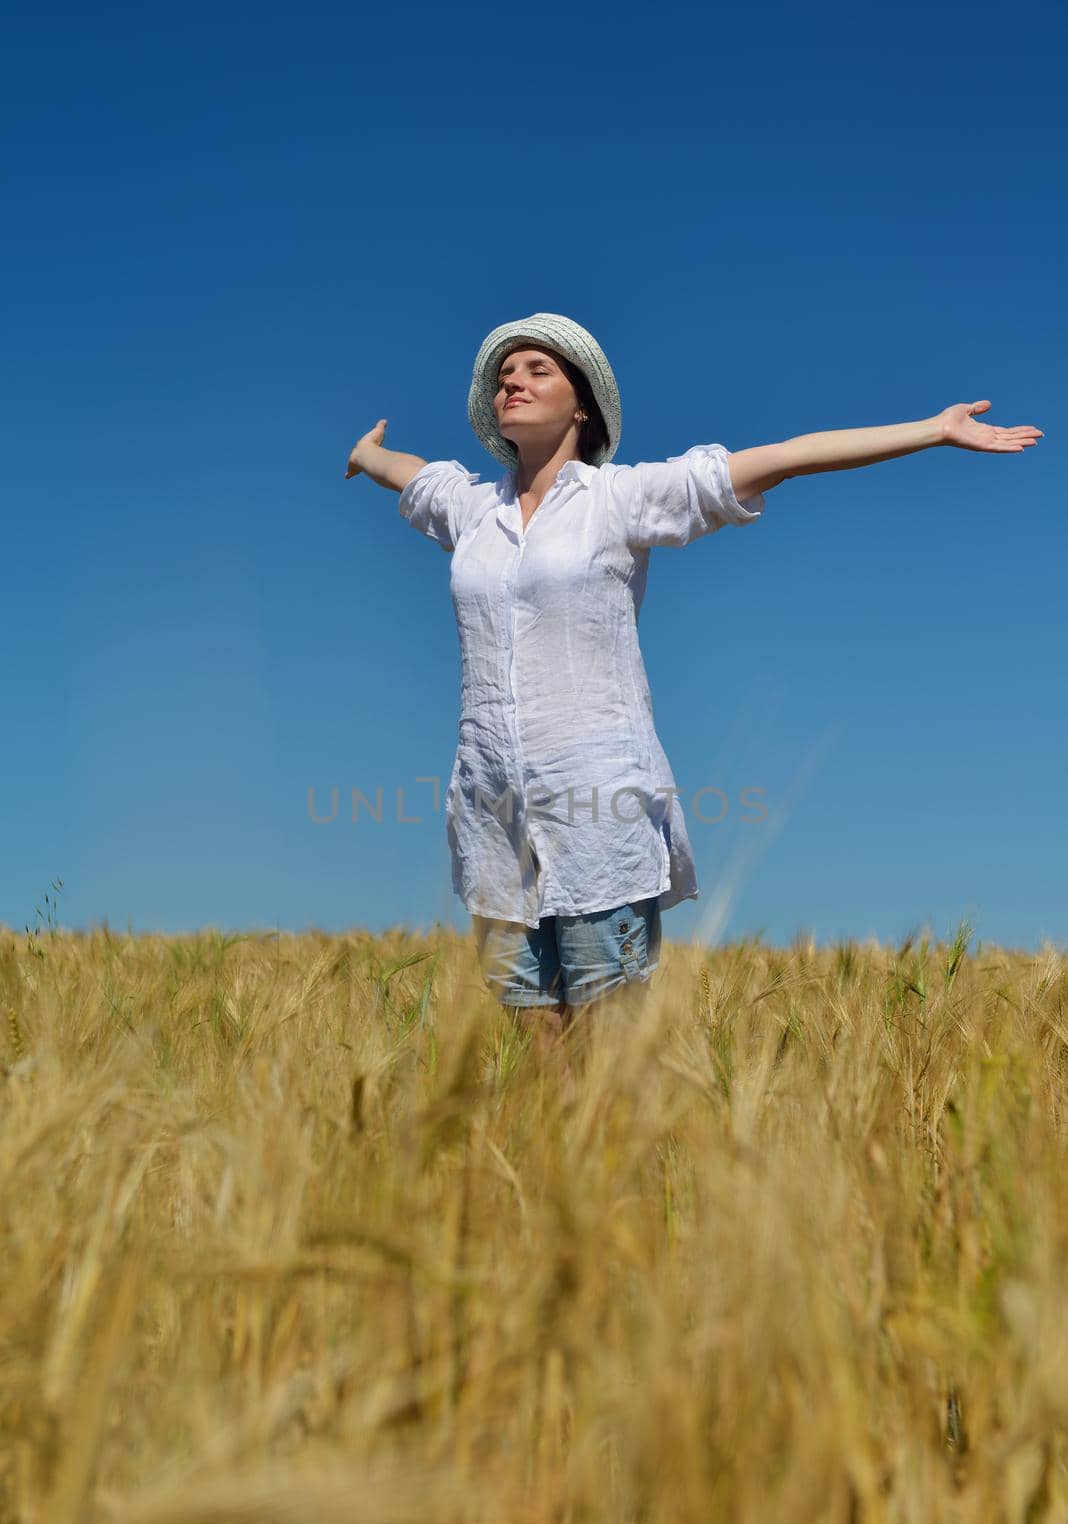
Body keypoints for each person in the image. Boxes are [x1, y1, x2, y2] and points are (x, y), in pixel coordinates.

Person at [345, 311, 1042, 1069]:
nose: (512, 380)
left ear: (583, 405)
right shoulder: (470, 507)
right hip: (493, 816)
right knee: (532, 1057)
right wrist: (367, 453)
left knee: (607, 1055)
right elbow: (405, 472)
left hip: (596, 813)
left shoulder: (623, 499)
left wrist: (932, 429)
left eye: (537, 370)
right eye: (504, 375)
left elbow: (783, 458)